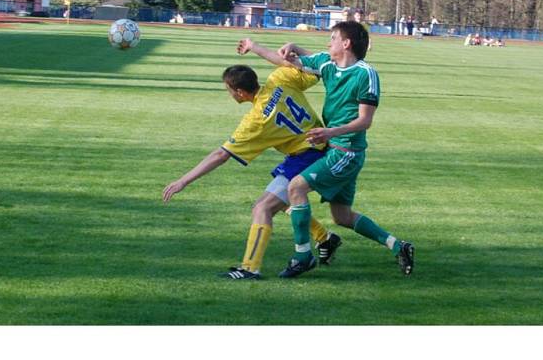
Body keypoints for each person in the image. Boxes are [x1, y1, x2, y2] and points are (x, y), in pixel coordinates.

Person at [239, 22, 414, 278]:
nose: (327, 43)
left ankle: (302, 255)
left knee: (296, 187)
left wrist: (330, 132)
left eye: (332, 38)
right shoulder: (328, 64)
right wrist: (261, 47)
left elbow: (365, 121)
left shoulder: (366, 74)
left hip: (346, 151)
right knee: (341, 216)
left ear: (346, 44)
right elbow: (288, 62)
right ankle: (399, 246)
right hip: (335, 147)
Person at [162, 63, 342, 280]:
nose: (228, 94)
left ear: (239, 92)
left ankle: (250, 268)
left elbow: (221, 155)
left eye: (228, 90)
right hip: (318, 147)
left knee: (262, 207)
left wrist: (183, 181)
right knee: (281, 201)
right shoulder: (279, 79)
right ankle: (324, 237)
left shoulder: (255, 121)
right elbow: (315, 69)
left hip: (308, 156)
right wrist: (285, 51)